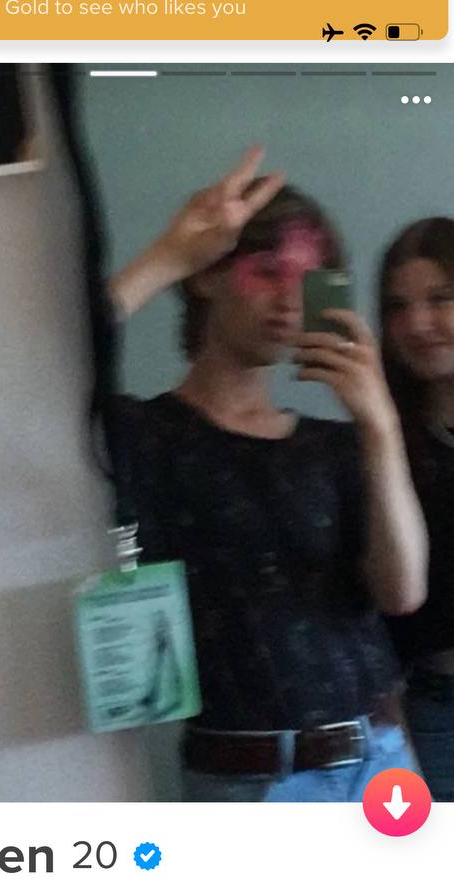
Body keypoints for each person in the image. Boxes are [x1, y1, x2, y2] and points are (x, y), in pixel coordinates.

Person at [107, 147, 429, 802]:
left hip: (379, 760)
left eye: (309, 281)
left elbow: (401, 592)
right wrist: (169, 255)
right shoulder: (145, 435)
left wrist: (380, 427)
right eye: (266, 271)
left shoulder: (336, 445)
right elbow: (40, 367)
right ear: (207, 276)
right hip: (245, 780)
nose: (288, 301)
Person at [380, 217, 454, 800]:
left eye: (440, 299)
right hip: (435, 710)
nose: (418, 324)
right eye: (398, 307)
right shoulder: (383, 445)